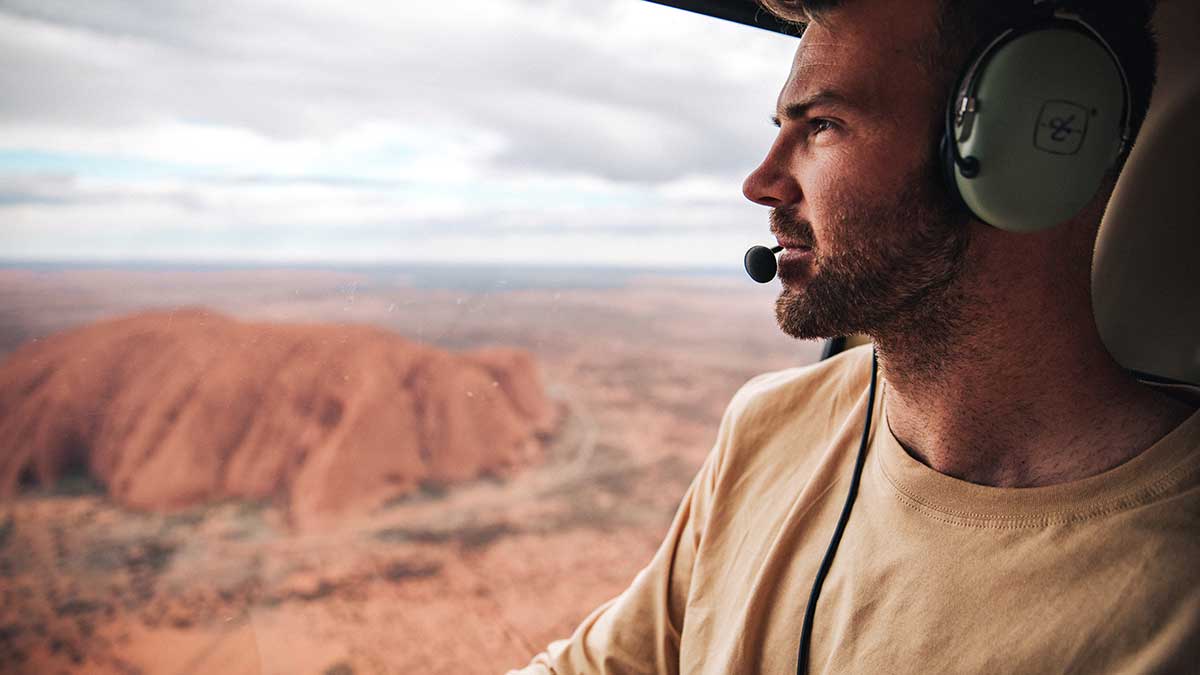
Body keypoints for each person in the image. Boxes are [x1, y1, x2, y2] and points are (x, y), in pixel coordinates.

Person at [510, 0, 1200, 672]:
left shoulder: (1178, 594)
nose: (761, 182)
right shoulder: (768, 428)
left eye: (822, 125)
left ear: (1030, 140)